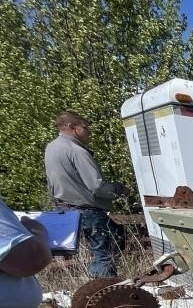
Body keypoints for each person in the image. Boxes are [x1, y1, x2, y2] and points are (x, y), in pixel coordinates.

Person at [44, 111, 129, 278]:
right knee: (107, 252)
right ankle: (106, 294)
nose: (89, 131)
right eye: (85, 127)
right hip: (88, 210)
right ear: (72, 127)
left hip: (66, 210)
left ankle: (95, 287)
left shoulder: (52, 148)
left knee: (100, 251)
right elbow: (97, 186)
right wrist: (120, 189)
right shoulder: (76, 151)